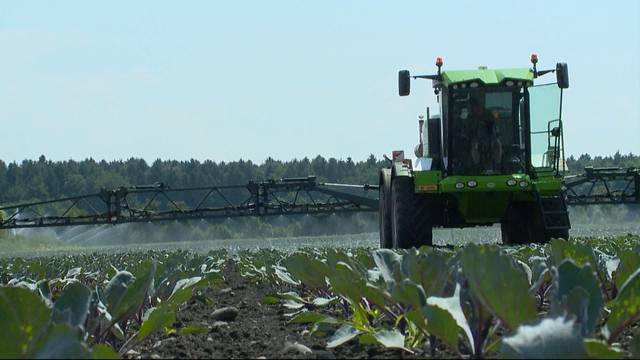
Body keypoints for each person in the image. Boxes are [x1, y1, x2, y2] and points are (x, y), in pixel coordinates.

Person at [464, 96, 503, 173]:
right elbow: (467, 130)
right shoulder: (470, 117)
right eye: (469, 108)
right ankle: (477, 166)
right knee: (474, 146)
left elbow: (496, 127)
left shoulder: (489, 114)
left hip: (491, 137)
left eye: (472, 107)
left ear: (477, 106)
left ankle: (498, 164)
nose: (470, 110)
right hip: (476, 139)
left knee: (497, 144)